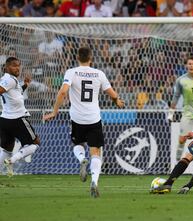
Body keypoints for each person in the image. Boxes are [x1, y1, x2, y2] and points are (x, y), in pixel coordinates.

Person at [43, 47, 124, 198]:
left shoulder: (71, 72)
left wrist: (54, 112)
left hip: (77, 118)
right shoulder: (99, 73)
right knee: (96, 152)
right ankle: (94, 181)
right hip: (93, 118)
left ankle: (82, 159)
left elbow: (62, 92)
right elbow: (112, 94)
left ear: (77, 58)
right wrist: (117, 101)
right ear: (90, 58)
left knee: (78, 145)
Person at [0, 57, 40, 177]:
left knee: (7, 149)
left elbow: (15, 95)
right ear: (6, 67)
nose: (17, 68)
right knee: (35, 143)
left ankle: (8, 160)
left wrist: (25, 85)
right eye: (14, 65)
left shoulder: (9, 80)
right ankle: (12, 161)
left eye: (18, 65)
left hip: (4, 120)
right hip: (17, 119)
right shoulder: (10, 79)